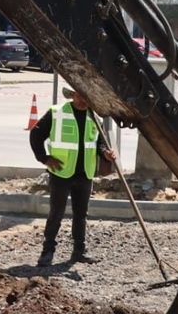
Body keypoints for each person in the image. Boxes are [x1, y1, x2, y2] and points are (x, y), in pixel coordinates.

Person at [28, 87, 117, 267]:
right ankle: (47, 251)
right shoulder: (57, 112)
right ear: (72, 95)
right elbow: (35, 134)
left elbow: (98, 142)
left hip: (84, 172)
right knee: (56, 213)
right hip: (62, 172)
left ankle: (79, 251)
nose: (82, 99)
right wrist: (44, 158)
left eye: (86, 96)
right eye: (79, 95)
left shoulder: (94, 116)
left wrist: (105, 153)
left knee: (81, 214)